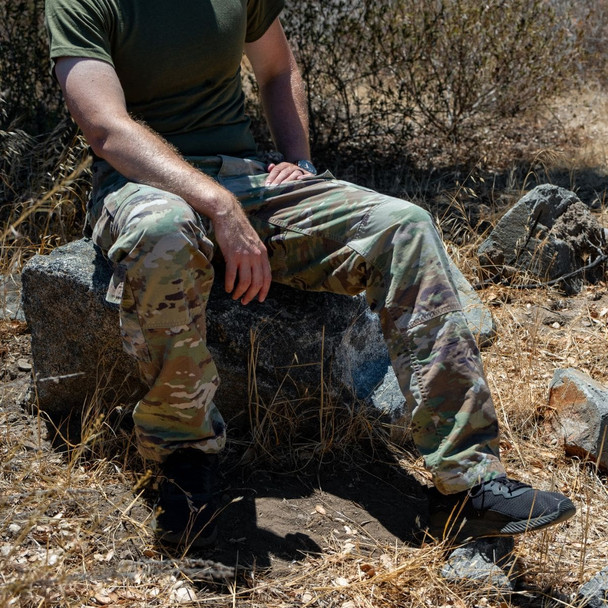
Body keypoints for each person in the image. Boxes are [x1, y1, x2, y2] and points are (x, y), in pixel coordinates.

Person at [45, 0, 576, 549]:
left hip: (247, 178)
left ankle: (469, 485)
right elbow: (105, 128)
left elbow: (279, 68)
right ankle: (185, 464)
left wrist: (296, 160)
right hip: (141, 186)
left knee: (404, 224)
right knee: (164, 231)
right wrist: (220, 209)